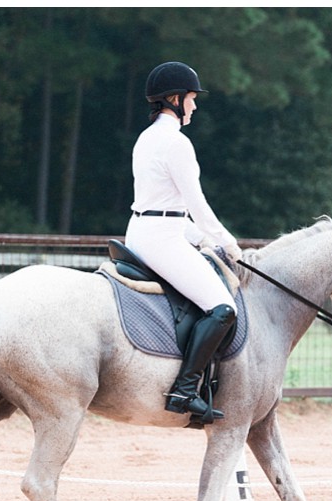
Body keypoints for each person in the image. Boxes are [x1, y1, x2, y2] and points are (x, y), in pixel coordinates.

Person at [126, 61, 242, 422]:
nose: (194, 106)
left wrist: (202, 239)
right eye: (191, 98)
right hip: (161, 240)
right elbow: (196, 204)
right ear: (174, 99)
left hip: (145, 230)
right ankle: (184, 390)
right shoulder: (177, 143)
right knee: (223, 307)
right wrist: (226, 240)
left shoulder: (147, 138)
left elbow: (166, 207)